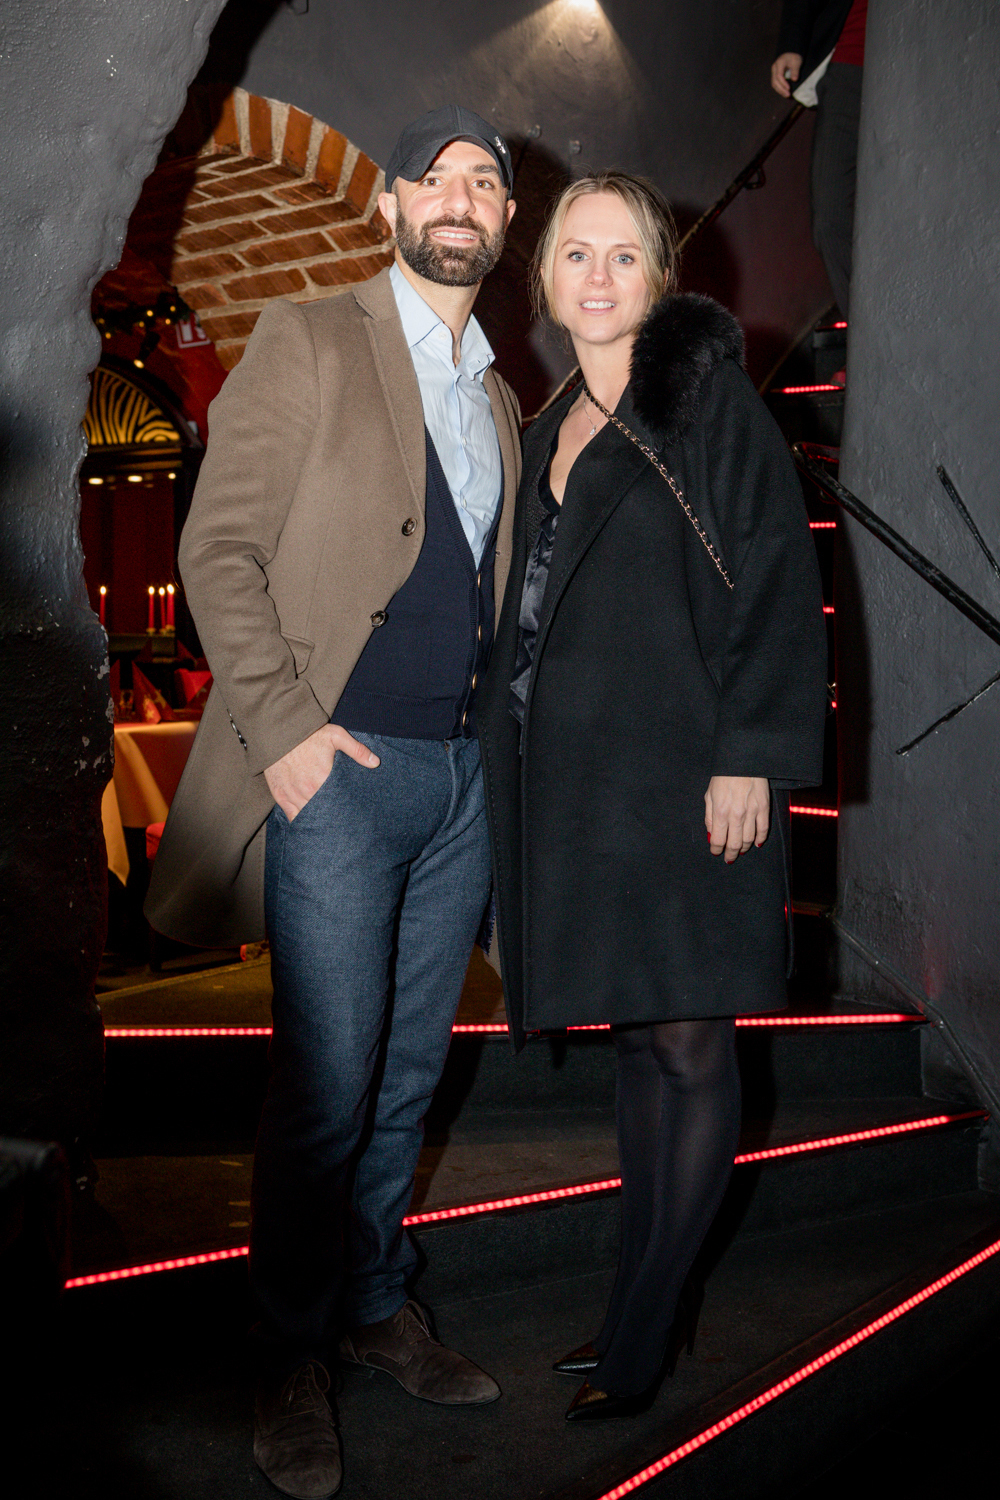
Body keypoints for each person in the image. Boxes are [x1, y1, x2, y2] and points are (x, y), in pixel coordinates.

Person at [146, 106, 521, 1498]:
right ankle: (287, 1347)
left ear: (506, 222)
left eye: (487, 181)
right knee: (325, 1081)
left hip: (461, 785)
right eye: (437, 175)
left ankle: (372, 1304)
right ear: (388, 205)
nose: (462, 196)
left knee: (410, 1073)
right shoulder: (309, 338)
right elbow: (217, 549)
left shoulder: (499, 396)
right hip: (340, 778)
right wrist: (290, 734)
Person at [477, 173, 827, 1421]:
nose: (599, 277)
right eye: (576, 253)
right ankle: (642, 1304)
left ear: (660, 275)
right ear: (544, 276)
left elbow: (774, 575)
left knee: (687, 1043)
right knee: (638, 1048)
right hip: (582, 794)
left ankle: (642, 1335)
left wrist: (751, 755)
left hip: (687, 780)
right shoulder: (545, 422)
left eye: (624, 255)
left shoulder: (703, 396)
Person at [771, 0, 868, 326]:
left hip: (925, 61)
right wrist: (792, 41)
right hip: (850, 63)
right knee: (830, 216)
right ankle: (869, 337)